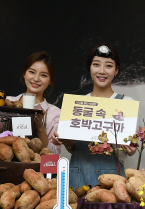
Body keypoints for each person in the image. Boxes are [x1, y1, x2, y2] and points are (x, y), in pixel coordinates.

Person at [51, 43, 136, 188]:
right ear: (90, 69)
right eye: (96, 64)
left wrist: (131, 149)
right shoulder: (77, 105)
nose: (102, 71)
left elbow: (128, 150)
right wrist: (63, 138)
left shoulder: (126, 104)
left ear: (116, 70)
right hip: (77, 177)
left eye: (108, 66)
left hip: (113, 181)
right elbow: (72, 148)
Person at [0, 51, 61, 153]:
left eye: (43, 75)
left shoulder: (54, 113)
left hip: (37, 168)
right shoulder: (6, 103)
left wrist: (40, 128)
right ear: (24, 73)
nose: (36, 79)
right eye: (32, 72)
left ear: (50, 80)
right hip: (3, 164)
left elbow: (54, 154)